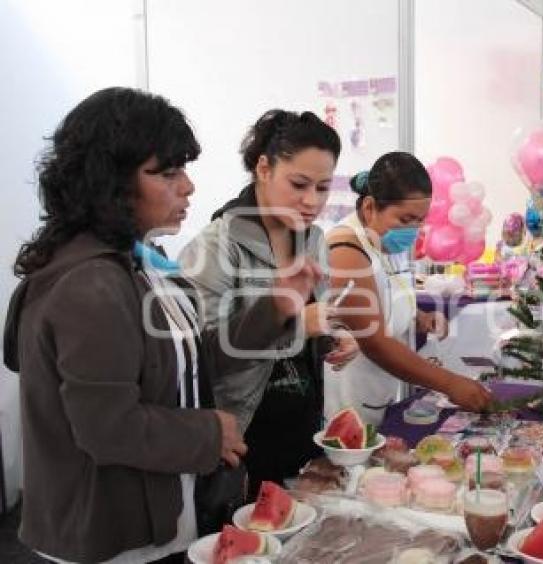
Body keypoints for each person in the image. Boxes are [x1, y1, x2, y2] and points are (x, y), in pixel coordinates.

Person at [3, 88, 321, 563]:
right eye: (167, 173)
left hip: (162, 514)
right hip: (110, 537)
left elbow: (194, 363)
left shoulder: (143, 264)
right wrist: (211, 433)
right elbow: (107, 428)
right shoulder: (89, 285)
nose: (188, 187)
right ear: (108, 181)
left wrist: (274, 308)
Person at [179, 109, 358, 498]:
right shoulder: (215, 247)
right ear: (263, 168)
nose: (312, 201)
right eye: (299, 184)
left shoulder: (312, 240)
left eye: (324, 188)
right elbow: (201, 360)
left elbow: (306, 326)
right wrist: (296, 325)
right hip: (242, 436)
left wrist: (331, 336)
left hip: (303, 428)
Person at [324, 152, 492, 425]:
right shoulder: (346, 250)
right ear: (369, 208)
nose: (413, 230)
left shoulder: (390, 239)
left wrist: (418, 318)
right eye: (405, 219)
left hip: (384, 392)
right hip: (351, 400)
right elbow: (375, 342)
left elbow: (391, 291)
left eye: (420, 220)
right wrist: (450, 383)